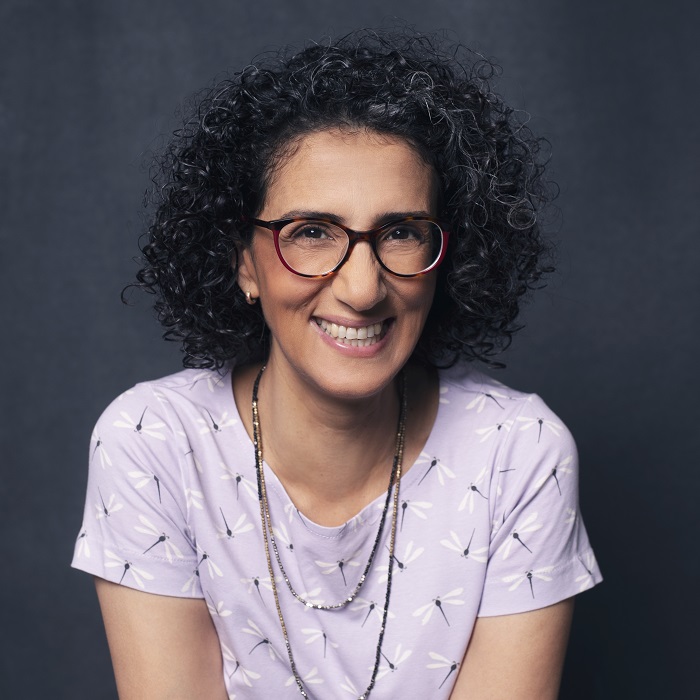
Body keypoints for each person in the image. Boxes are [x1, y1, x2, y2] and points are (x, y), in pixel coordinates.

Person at [71, 29, 602, 700]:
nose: (362, 287)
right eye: (312, 233)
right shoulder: (154, 443)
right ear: (245, 264)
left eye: (401, 233)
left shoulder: (517, 453)